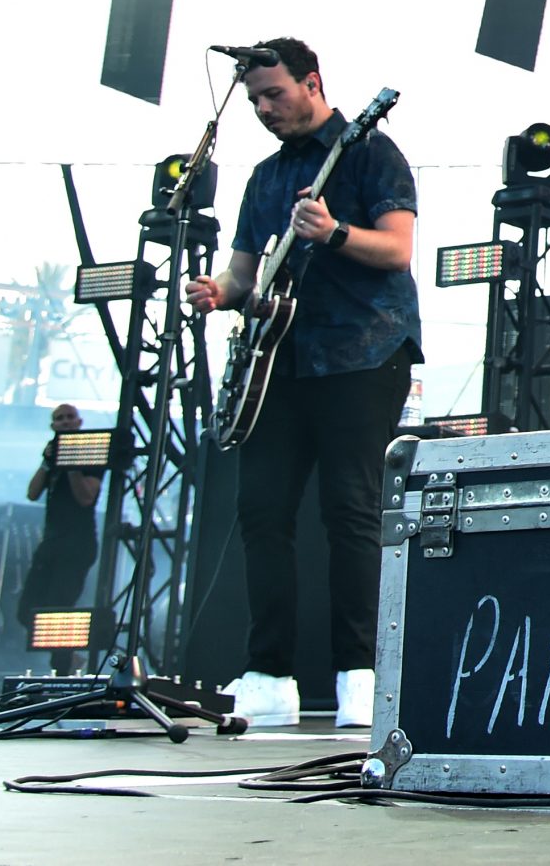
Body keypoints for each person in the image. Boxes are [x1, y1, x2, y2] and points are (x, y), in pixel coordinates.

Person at [185, 37, 419, 732]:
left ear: (311, 83)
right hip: (279, 361)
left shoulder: (370, 152)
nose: (264, 109)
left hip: (363, 352)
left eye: (275, 94)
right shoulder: (264, 178)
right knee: (262, 512)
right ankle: (268, 676)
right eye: (255, 100)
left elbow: (397, 248)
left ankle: (360, 676)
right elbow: (245, 273)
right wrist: (218, 292)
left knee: (351, 512)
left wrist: (335, 232)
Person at [16, 403, 104, 672]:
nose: (65, 422)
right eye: (59, 419)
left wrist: (72, 465)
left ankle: (63, 668)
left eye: (69, 417)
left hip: (77, 543)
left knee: (59, 608)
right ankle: (70, 655)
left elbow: (86, 498)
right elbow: (32, 493)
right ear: (53, 426)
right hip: (52, 541)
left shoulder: (90, 453)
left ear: (79, 422)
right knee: (26, 610)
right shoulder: (52, 454)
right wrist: (47, 462)